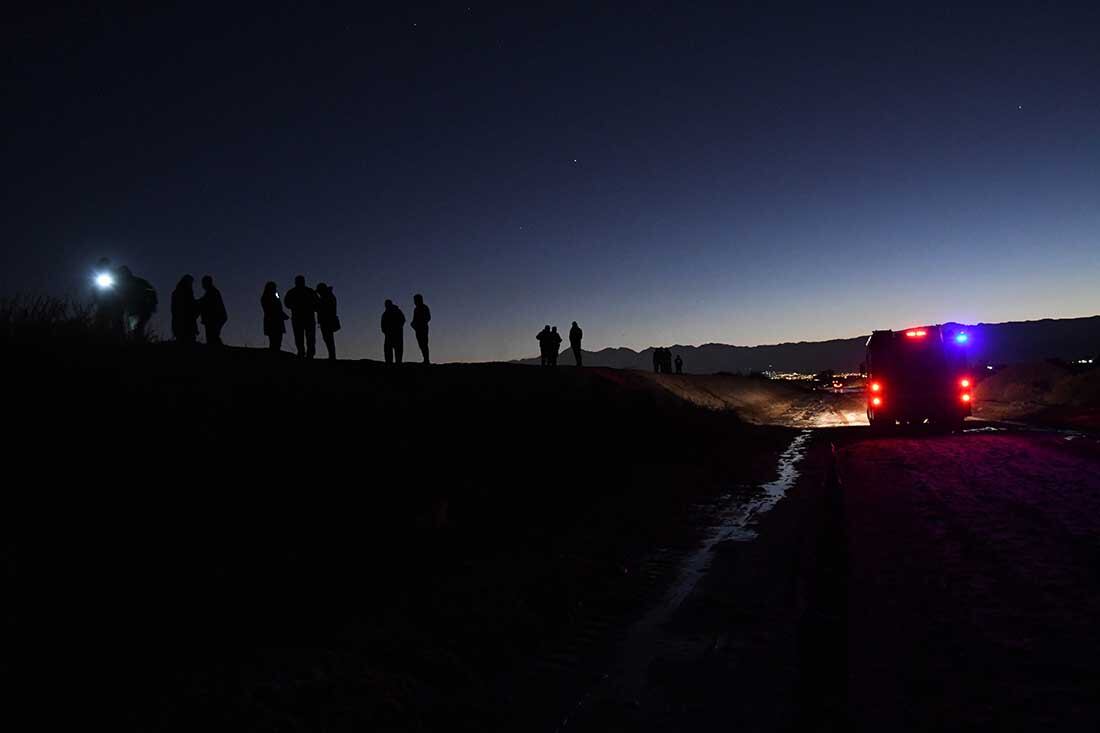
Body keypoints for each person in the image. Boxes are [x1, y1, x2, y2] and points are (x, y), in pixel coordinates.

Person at [284, 275, 318, 358]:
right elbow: (286, 303)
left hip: (306, 318)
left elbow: (317, 302)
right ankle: (302, 352)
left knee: (309, 337)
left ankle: (308, 353)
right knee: (300, 337)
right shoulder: (294, 292)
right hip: (299, 318)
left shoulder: (308, 291)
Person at [197, 275, 228, 346]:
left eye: (203, 283)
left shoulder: (212, 292)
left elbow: (205, 302)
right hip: (214, 319)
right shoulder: (211, 292)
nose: (202, 285)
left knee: (213, 336)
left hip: (214, 319)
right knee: (213, 336)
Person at [261, 281, 289, 351]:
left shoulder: (275, 296)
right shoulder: (266, 297)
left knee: (278, 338)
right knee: (274, 339)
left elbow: (278, 307)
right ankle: (274, 353)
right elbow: (271, 309)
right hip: (272, 320)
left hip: (277, 320)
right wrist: (281, 314)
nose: (275, 289)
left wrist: (283, 315)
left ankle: (276, 351)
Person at [171, 275, 198, 344]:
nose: (191, 284)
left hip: (179, 324)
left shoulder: (176, 292)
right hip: (186, 324)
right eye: (190, 282)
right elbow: (190, 308)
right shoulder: (187, 292)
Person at [316, 283, 340, 360]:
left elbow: (323, 308)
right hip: (326, 321)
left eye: (319, 291)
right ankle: (332, 356)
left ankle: (332, 356)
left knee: (329, 339)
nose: (319, 293)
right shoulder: (328, 297)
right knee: (328, 339)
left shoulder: (328, 297)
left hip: (327, 321)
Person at [381, 299, 406, 364]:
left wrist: (398, 327)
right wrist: (385, 331)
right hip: (389, 334)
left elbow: (403, 320)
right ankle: (390, 362)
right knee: (388, 349)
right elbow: (383, 323)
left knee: (397, 350)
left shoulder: (397, 311)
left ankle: (398, 362)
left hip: (397, 334)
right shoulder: (385, 313)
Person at [411, 293, 431, 364]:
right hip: (418, 329)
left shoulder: (424, 307)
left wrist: (421, 322)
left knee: (424, 344)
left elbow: (428, 317)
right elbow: (414, 319)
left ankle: (426, 360)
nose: (414, 302)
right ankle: (425, 359)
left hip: (423, 328)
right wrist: (413, 323)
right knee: (421, 344)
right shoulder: (416, 309)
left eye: (415, 300)